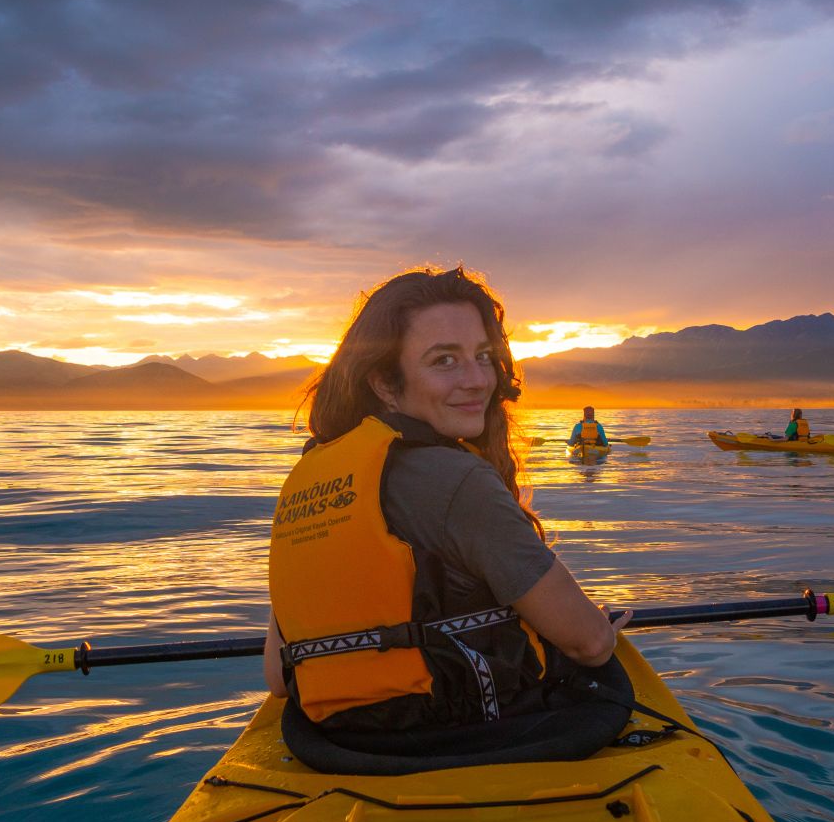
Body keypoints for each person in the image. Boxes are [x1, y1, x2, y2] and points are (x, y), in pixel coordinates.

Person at [263, 266, 631, 742]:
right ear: (385, 383)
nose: (478, 380)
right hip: (454, 736)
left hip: (339, 741)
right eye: (444, 361)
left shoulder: (313, 475)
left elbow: (278, 676)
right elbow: (589, 642)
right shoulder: (459, 481)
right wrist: (603, 628)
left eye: (483, 356)